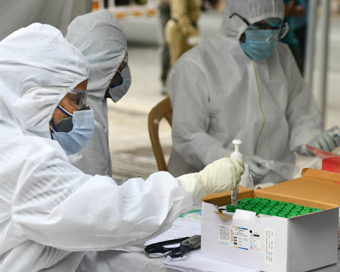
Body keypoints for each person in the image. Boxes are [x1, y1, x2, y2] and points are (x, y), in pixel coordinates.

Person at [0, 23, 244, 271]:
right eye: (76, 100)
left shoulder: (14, 140)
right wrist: (198, 183)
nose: (83, 111)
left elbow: (64, 237)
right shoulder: (24, 161)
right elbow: (108, 212)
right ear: (35, 95)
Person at [167, 0, 340, 183]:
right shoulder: (197, 64)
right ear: (235, 21)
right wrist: (230, 160)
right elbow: (188, 135)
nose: (269, 36)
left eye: (276, 26)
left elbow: (301, 109)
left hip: (272, 183)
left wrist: (311, 137)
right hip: (208, 187)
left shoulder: (282, 56)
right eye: (260, 26)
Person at [66, 10, 131, 177]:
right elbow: (94, 191)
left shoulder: (87, 99)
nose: (123, 71)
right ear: (102, 63)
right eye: (120, 63)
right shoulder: (81, 115)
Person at [165, 0, 202, 70]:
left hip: (189, 27)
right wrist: (191, 32)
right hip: (180, 29)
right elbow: (181, 14)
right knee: (179, 62)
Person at [280, 0, 306, 73]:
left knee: (295, 77)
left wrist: (290, 10)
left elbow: (301, 9)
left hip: (289, 43)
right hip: (265, 45)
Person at [156, 0, 171, 95]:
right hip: (165, 7)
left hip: (183, 6)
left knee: (184, 43)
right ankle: (164, 80)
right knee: (166, 44)